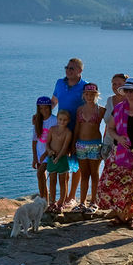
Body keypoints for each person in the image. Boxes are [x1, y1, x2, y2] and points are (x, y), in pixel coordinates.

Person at [97, 77, 133, 230]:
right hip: (118, 152)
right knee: (111, 184)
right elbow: (111, 129)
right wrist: (119, 138)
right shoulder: (119, 108)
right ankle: (120, 216)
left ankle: (129, 218)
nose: (130, 93)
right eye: (127, 90)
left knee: (132, 188)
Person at [51, 57, 87, 207]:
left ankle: (72, 196)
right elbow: (54, 101)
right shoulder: (60, 83)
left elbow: (88, 107)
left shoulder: (85, 86)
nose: (68, 70)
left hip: (78, 130)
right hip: (62, 129)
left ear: (80, 71)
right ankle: (62, 197)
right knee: (63, 164)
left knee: (76, 164)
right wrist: (41, 117)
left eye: (72, 68)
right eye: (67, 67)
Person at [72, 83, 105, 212]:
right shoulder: (79, 110)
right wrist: (73, 144)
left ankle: (94, 202)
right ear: (84, 95)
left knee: (95, 174)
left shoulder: (101, 110)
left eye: (92, 94)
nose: (89, 96)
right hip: (80, 145)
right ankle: (82, 202)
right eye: (87, 94)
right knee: (84, 174)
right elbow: (76, 128)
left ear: (96, 95)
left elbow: (111, 124)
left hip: (95, 145)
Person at [41, 110, 72, 213]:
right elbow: (47, 143)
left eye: (64, 120)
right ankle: (52, 202)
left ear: (68, 121)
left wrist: (58, 157)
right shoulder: (52, 129)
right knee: (52, 181)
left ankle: (61, 203)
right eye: (60, 119)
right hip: (51, 158)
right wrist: (49, 151)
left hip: (61, 159)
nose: (62, 122)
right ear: (57, 119)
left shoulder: (68, 132)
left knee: (63, 182)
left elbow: (64, 148)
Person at [32, 96, 57, 205]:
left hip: (50, 153)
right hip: (39, 152)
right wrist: (35, 157)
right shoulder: (38, 121)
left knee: (40, 173)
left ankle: (47, 200)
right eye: (41, 108)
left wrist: (46, 153)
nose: (44, 111)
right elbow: (34, 141)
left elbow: (55, 140)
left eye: (46, 108)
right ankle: (44, 199)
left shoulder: (54, 120)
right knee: (41, 176)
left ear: (50, 107)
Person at [101, 73, 128, 159]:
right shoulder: (109, 100)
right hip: (108, 143)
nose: (116, 86)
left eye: (119, 84)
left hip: (123, 144)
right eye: (114, 84)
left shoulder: (130, 102)